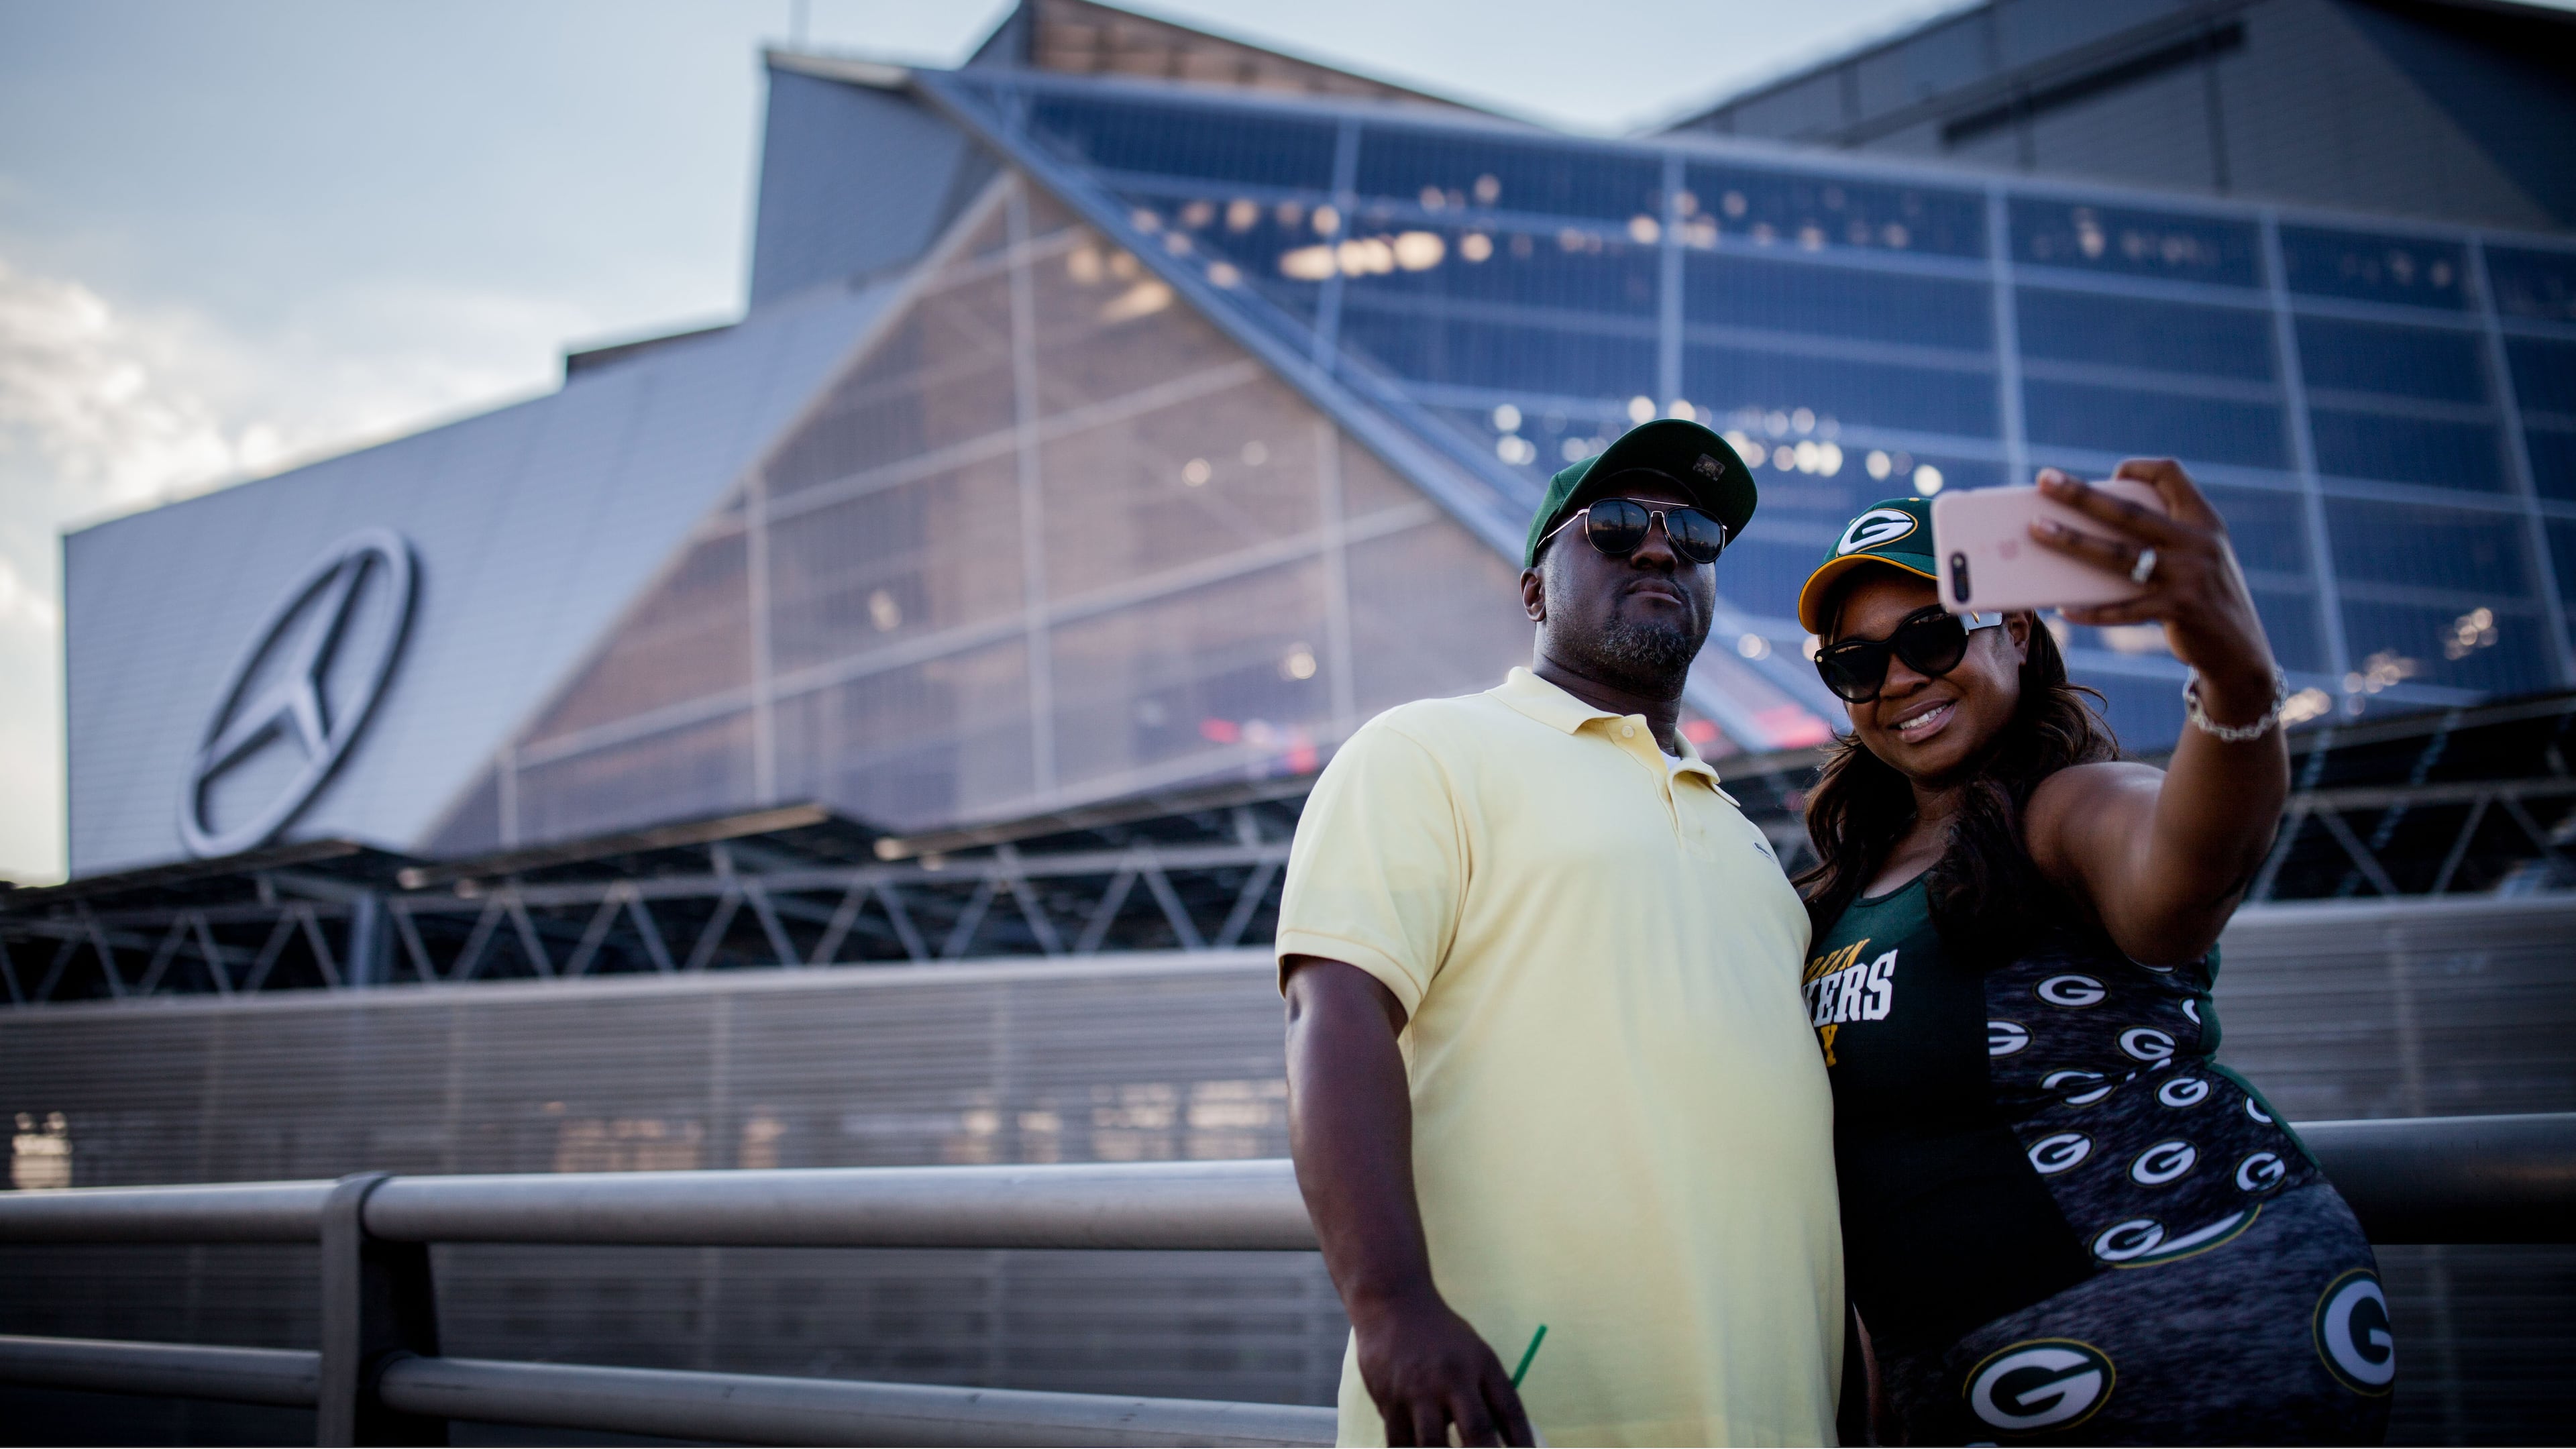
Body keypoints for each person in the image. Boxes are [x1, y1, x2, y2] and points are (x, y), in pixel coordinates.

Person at [1795, 464, 2392, 1444]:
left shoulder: (2069, 805)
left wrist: (2233, 672)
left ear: (2016, 635)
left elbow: (2183, 874)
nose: (1898, 678)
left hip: (2183, 1328)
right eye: (1857, 664)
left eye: (1932, 635)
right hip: (1968, 1376)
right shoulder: (1846, 882)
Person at [1275, 419, 1842, 1447]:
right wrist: (1392, 1308)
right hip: (1514, 1408)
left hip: (1774, 1415)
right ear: (1535, 589)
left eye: (1695, 533)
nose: (1661, 546)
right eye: (1617, 525)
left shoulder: (1750, 846)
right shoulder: (1428, 750)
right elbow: (1336, 1012)